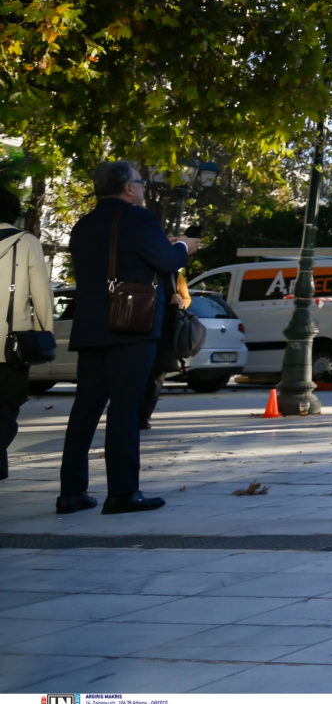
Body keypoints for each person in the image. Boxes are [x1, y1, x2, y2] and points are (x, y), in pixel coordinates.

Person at [58, 161, 194, 514]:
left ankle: (71, 493)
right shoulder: (137, 218)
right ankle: (122, 491)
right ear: (128, 188)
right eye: (140, 181)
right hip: (131, 326)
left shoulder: (83, 225)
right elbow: (165, 260)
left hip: (90, 326)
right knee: (125, 407)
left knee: (85, 409)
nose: (144, 187)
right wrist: (183, 247)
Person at [1, 187, 56, 481]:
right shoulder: (27, 242)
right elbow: (42, 293)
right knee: (6, 409)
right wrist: (45, 332)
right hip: (11, 346)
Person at [137, 267, 192, 428]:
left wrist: (181, 302)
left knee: (155, 378)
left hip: (164, 333)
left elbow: (186, 299)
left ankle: (144, 417)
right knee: (138, 376)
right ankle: (134, 414)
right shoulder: (142, 271)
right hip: (139, 329)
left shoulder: (175, 276)